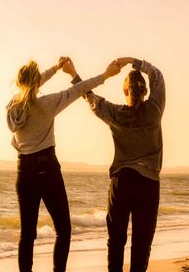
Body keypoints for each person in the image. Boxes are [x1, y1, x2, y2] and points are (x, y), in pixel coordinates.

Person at [6, 56, 121, 272]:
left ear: (20, 82)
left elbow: (32, 84)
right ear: (37, 83)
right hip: (47, 169)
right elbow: (80, 88)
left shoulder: (13, 107)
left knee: (27, 234)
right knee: (64, 230)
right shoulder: (47, 104)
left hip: (23, 172)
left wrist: (56, 68)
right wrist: (106, 75)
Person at [64, 57, 165, 272]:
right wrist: (132, 61)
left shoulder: (116, 113)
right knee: (142, 245)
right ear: (145, 91)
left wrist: (73, 74)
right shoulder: (155, 110)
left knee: (116, 242)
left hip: (122, 182)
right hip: (148, 184)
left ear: (125, 92)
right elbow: (157, 76)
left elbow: (89, 97)